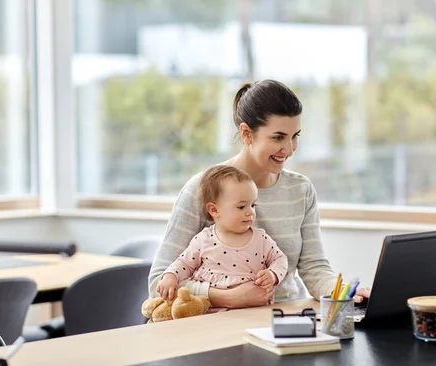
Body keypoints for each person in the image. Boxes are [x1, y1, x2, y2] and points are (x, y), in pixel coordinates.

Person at [149, 79, 371, 308]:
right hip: (218, 324)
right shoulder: (202, 189)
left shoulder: (300, 190)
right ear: (246, 134)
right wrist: (230, 297)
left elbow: (314, 269)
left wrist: (343, 292)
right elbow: (158, 282)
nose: (290, 149)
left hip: (285, 321)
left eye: (295, 136)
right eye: (278, 137)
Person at [156, 165, 288, 304]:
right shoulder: (203, 240)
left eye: (253, 205)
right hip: (210, 313)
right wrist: (170, 276)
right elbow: (184, 264)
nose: (251, 212)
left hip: (253, 312)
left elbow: (280, 259)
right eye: (242, 206)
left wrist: (273, 274)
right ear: (214, 210)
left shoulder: (261, 239)